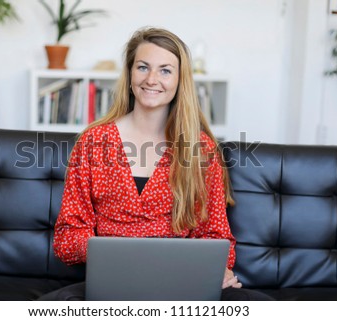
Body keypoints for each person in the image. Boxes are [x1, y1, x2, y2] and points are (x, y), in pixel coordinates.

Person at [42, 27, 273, 301]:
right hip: (111, 282)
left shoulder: (200, 148)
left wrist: (220, 269)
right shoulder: (94, 141)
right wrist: (109, 253)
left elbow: (214, 232)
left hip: (183, 283)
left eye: (165, 70)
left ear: (179, 81)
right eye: (143, 67)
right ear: (129, 75)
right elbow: (68, 235)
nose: (152, 79)